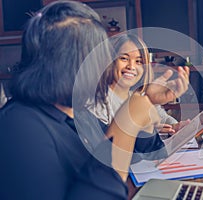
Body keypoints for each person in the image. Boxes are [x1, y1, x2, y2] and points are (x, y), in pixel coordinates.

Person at [0, 1, 189, 200]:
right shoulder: (18, 128)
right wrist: (126, 123)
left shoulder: (78, 114)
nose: (104, 66)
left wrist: (146, 101)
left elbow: (149, 151)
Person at [90, 33, 189, 135]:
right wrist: (145, 130)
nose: (131, 66)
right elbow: (105, 145)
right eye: (124, 58)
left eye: (139, 61)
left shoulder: (140, 94)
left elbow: (163, 119)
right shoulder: (98, 102)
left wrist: (175, 126)